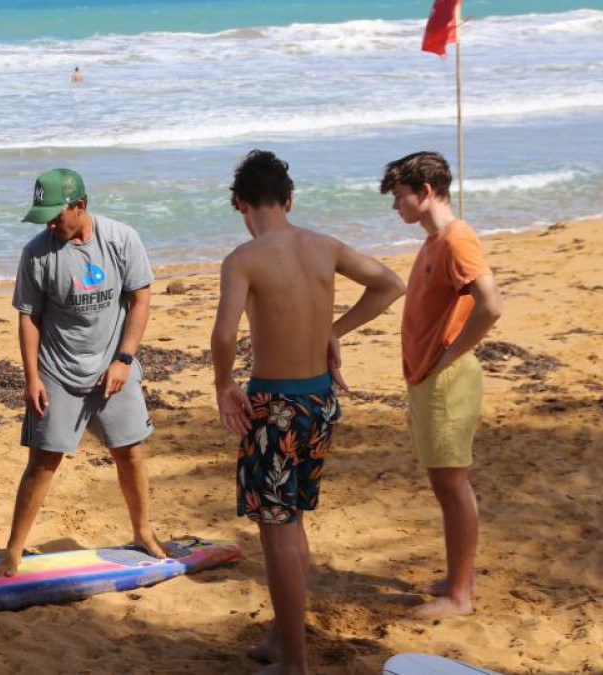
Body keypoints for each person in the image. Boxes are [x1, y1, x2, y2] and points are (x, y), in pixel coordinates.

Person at [211, 151, 404, 674]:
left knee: (277, 533)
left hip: (274, 406)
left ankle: (295, 664)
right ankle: (282, 635)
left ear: (241, 204)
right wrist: (334, 330)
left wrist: (224, 383)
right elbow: (390, 284)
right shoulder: (324, 246)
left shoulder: (244, 259)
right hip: (320, 401)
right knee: (292, 519)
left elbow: (225, 333)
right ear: (289, 201)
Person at [0, 168, 166, 578]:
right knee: (43, 462)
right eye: (45, 217)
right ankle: (14, 550)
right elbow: (29, 318)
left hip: (113, 366)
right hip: (57, 370)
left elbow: (140, 298)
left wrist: (124, 359)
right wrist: (31, 377)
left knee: (130, 452)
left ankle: (142, 531)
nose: (51, 224)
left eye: (56, 215)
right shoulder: (36, 253)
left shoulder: (121, 239)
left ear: (81, 206)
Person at [380, 151, 503, 619]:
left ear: (425, 192)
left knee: (451, 485)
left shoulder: (457, 239)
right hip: (430, 378)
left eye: (399, 197)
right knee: (447, 483)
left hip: (446, 380)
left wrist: (452, 355)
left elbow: (490, 305)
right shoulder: (434, 240)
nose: (396, 207)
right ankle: (460, 577)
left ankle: (459, 595)